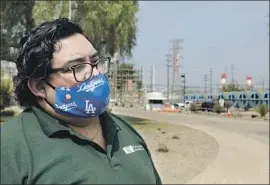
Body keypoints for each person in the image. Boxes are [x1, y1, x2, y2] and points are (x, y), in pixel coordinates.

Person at [1, 18, 162, 184]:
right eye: (77, 67)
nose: (94, 73)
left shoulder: (123, 130)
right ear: (39, 86)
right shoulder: (11, 147)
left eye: (94, 62)